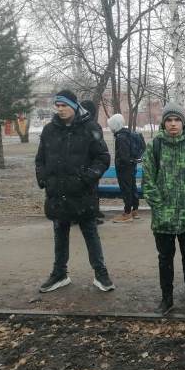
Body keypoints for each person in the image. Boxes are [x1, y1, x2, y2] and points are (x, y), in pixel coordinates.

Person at [35, 89, 115, 293]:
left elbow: (103, 158)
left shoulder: (90, 128)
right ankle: (59, 274)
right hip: (57, 194)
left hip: (82, 194)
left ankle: (101, 274)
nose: (60, 109)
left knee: (90, 233)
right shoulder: (49, 130)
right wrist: (44, 179)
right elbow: (40, 159)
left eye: (64, 105)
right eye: (58, 106)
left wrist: (86, 178)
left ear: (74, 106)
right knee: (60, 234)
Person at [142, 103, 185, 315]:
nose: (173, 124)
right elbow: (147, 181)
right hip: (163, 220)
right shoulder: (155, 146)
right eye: (169, 120)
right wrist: (159, 207)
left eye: (177, 119)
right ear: (164, 123)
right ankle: (166, 299)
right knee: (165, 260)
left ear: (183, 122)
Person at [107, 114, 140, 223]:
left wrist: (121, 163)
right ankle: (135, 210)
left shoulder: (120, 137)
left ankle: (127, 213)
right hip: (131, 166)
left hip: (124, 169)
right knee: (132, 188)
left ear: (115, 125)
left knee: (126, 190)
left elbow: (123, 156)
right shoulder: (128, 134)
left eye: (111, 125)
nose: (110, 128)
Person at [80, 100, 105, 225]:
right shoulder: (92, 126)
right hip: (88, 164)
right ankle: (91, 214)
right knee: (91, 191)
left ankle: (92, 212)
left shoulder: (85, 125)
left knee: (90, 191)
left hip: (87, 164)